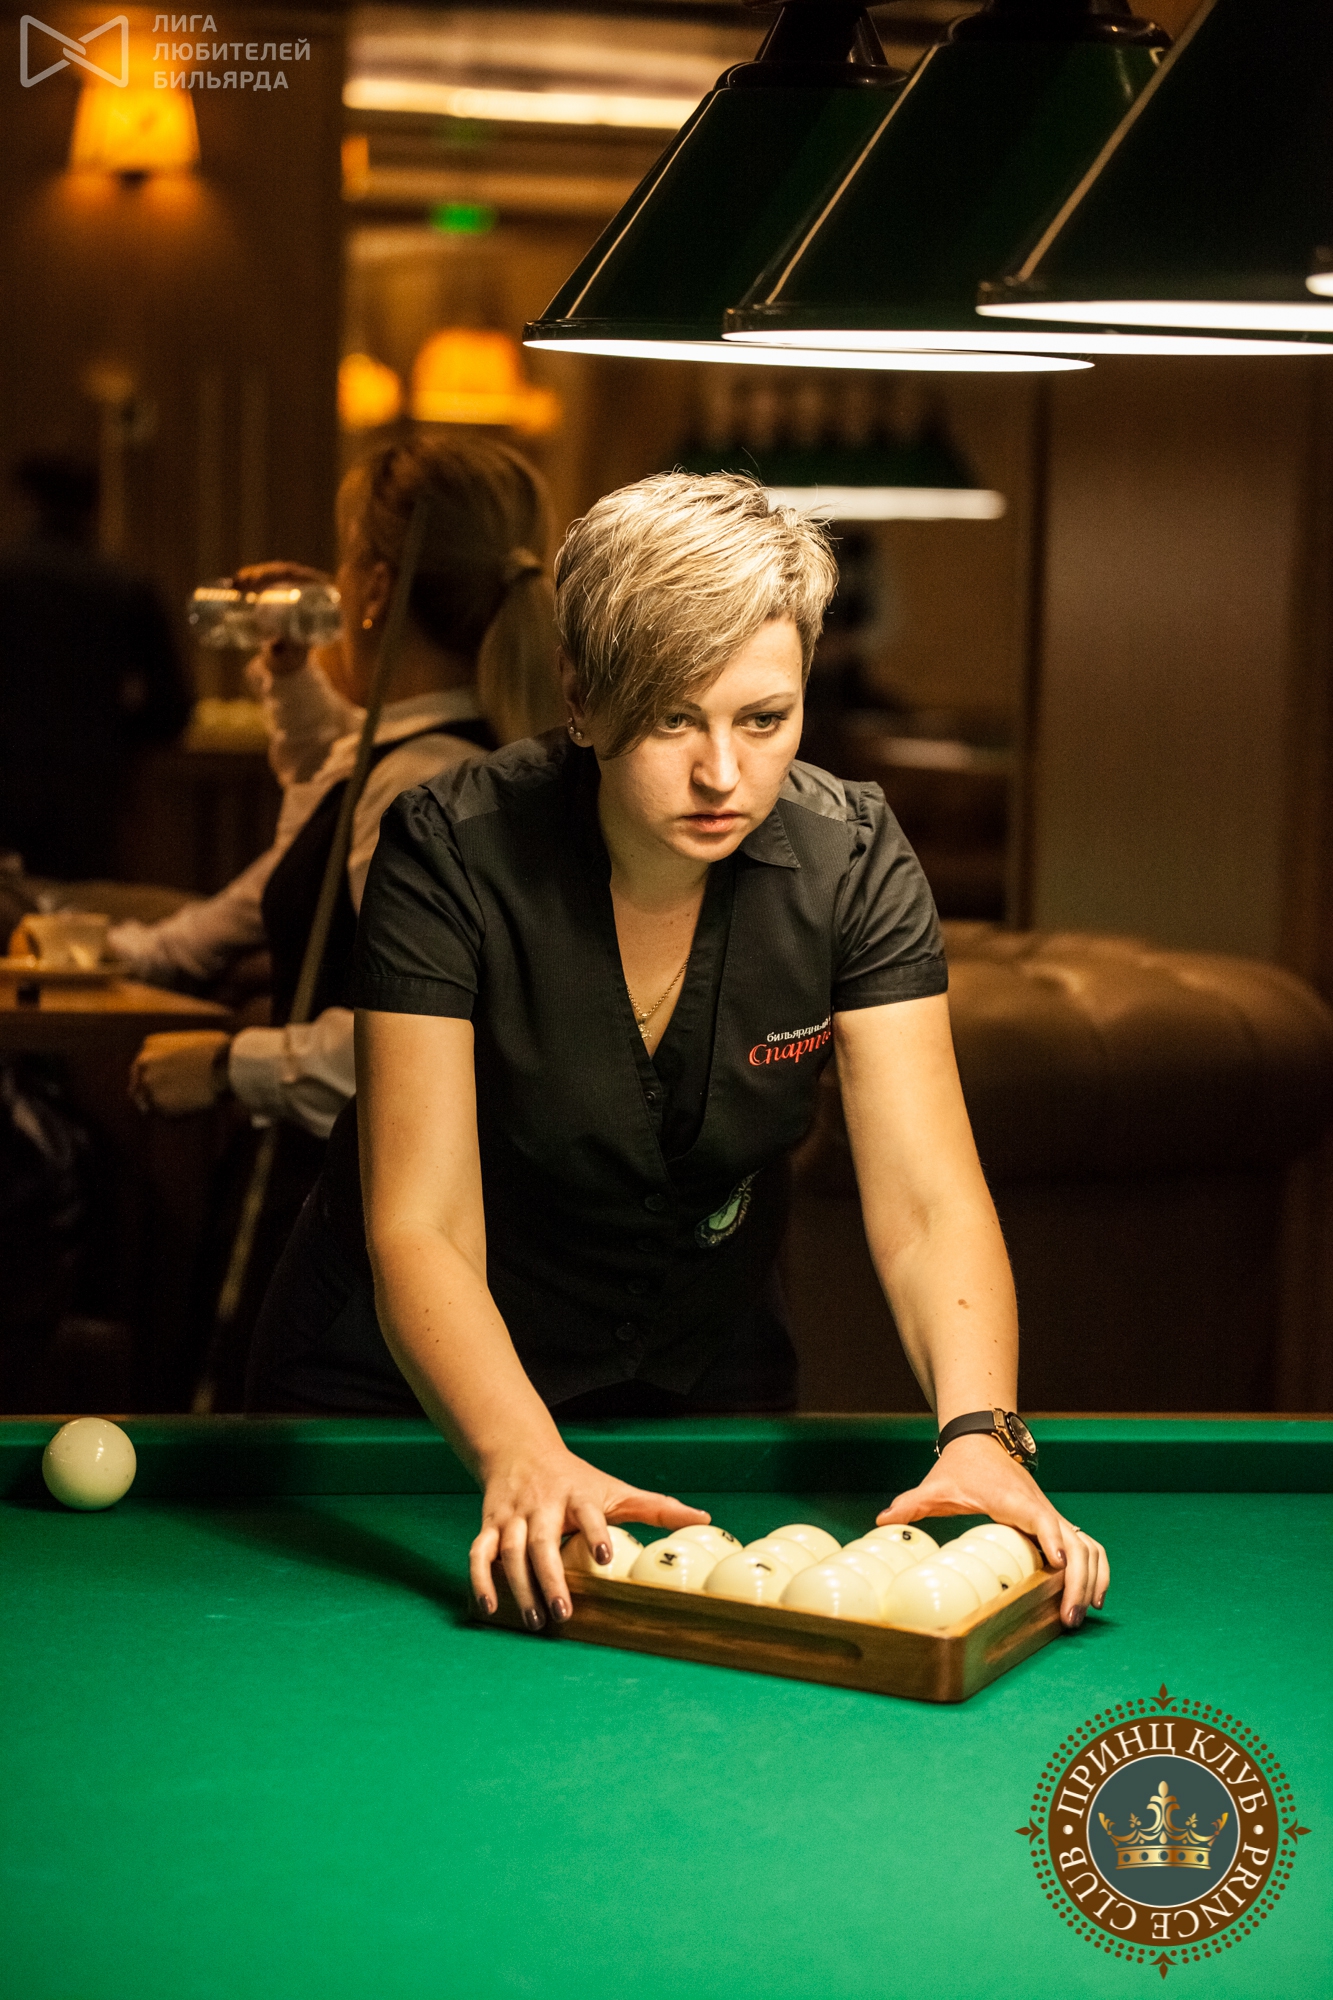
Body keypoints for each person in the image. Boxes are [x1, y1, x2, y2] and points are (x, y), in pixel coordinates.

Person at [248, 471, 1109, 1636]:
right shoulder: (449, 848)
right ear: (581, 693)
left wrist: (980, 1431)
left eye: (763, 718)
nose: (721, 773)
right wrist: (518, 1449)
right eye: (670, 719)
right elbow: (423, 1220)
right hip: (411, 1399)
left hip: (701, 1381)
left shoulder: (851, 859)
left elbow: (925, 1198)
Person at [125, 435, 562, 1140]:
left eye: (347, 560)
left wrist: (231, 1066)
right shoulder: (456, 755)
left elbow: (424, 1042)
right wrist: (294, 670)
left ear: (379, 588)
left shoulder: (416, 785)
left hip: (354, 1186)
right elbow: (327, 798)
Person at [0, 452, 190, 880]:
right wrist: (114, 734)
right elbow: (173, 706)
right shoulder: (126, 588)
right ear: (94, 506)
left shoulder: (5, 579)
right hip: (92, 794)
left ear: (28, 502)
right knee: (85, 911)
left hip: (6, 784)